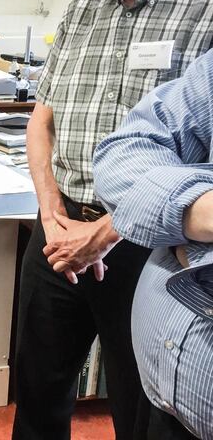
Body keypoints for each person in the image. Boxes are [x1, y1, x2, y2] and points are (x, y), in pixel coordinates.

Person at [12, 0, 213, 440]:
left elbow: (195, 164)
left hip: (146, 250)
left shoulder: (205, 13)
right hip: (55, 237)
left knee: (140, 404)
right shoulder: (79, 14)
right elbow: (41, 121)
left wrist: (104, 234)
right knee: (38, 391)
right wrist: (51, 213)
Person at [93, 50, 213, 439]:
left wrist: (188, 246)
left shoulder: (198, 2)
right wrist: (193, 215)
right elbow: (124, 151)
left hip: (130, 238)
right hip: (165, 395)